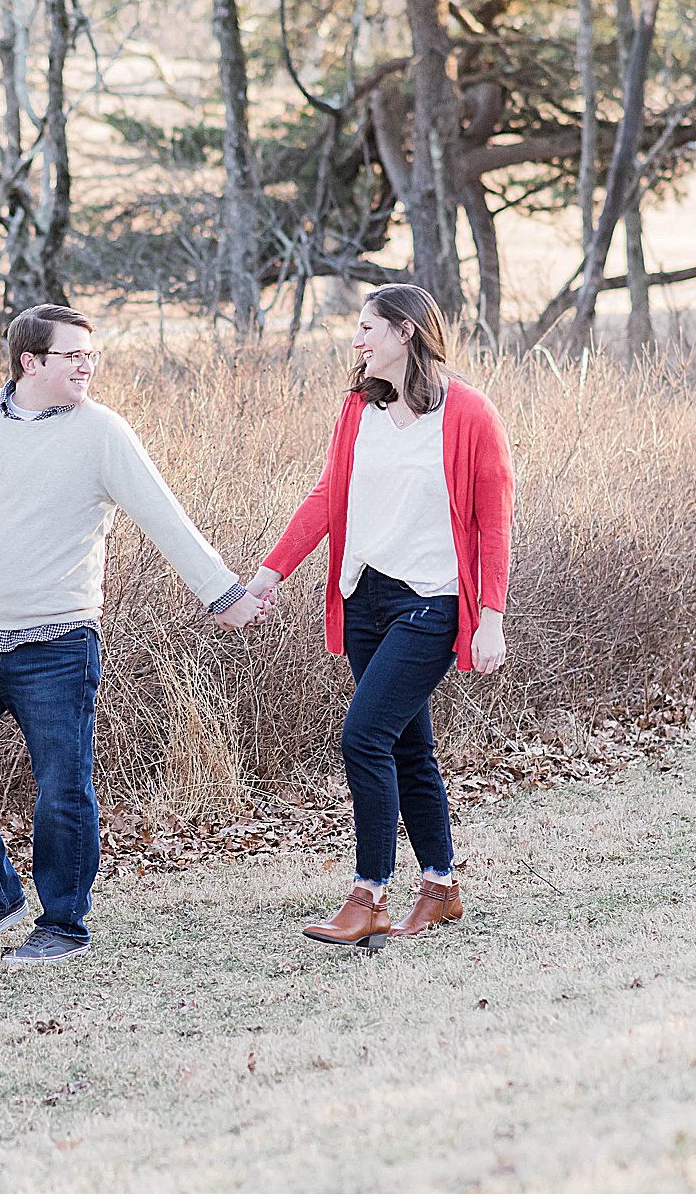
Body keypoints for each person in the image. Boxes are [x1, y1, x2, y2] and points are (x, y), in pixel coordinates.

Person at [0, 303, 269, 966]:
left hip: (58, 646)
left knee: (62, 788)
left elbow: (164, 516)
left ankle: (62, 923)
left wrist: (224, 593)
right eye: (72, 355)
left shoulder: (102, 433)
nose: (86, 365)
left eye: (89, 355)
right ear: (30, 361)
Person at [245, 284, 514, 950]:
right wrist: (270, 571)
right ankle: (441, 885)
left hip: (431, 601)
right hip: (363, 596)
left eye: (368, 329)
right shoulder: (358, 409)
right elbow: (327, 497)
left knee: (363, 737)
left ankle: (369, 894)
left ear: (407, 334)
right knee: (407, 748)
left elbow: (494, 522)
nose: (357, 340)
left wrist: (493, 617)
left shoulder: (469, 413)